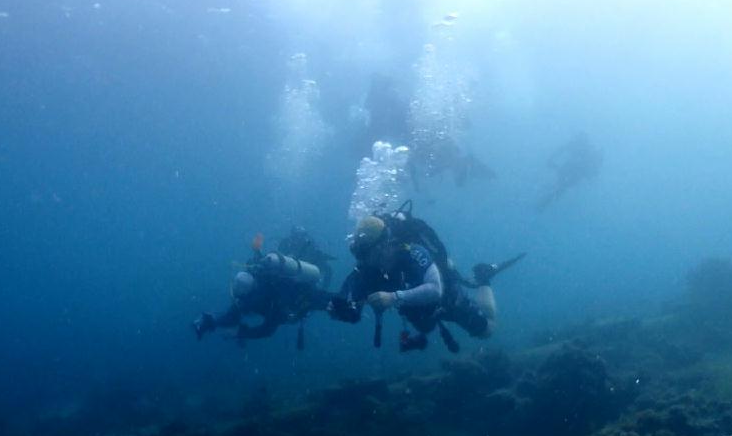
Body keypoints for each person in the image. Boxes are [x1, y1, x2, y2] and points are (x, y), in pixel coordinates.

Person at [328, 202, 524, 353]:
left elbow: (435, 289)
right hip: (417, 309)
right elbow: (347, 302)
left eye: (370, 253)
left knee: (487, 330)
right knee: (426, 325)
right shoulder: (365, 268)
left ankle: (484, 278)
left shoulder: (412, 251)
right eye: (361, 255)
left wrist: (394, 297)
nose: (366, 261)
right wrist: (341, 310)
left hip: (447, 296)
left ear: (386, 244)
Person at [193, 233, 331, 348]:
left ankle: (347, 299)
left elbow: (267, 331)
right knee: (332, 303)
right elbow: (232, 316)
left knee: (331, 303)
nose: (240, 302)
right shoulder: (252, 288)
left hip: (302, 296)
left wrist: (239, 333)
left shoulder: (272, 301)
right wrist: (211, 320)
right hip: (296, 292)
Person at [536, 133, 603, 211]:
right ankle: (545, 198)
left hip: (571, 169)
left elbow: (560, 150)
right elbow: (561, 150)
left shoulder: (582, 147)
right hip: (574, 172)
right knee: (561, 187)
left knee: (560, 187)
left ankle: (544, 198)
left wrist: (551, 161)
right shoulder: (587, 148)